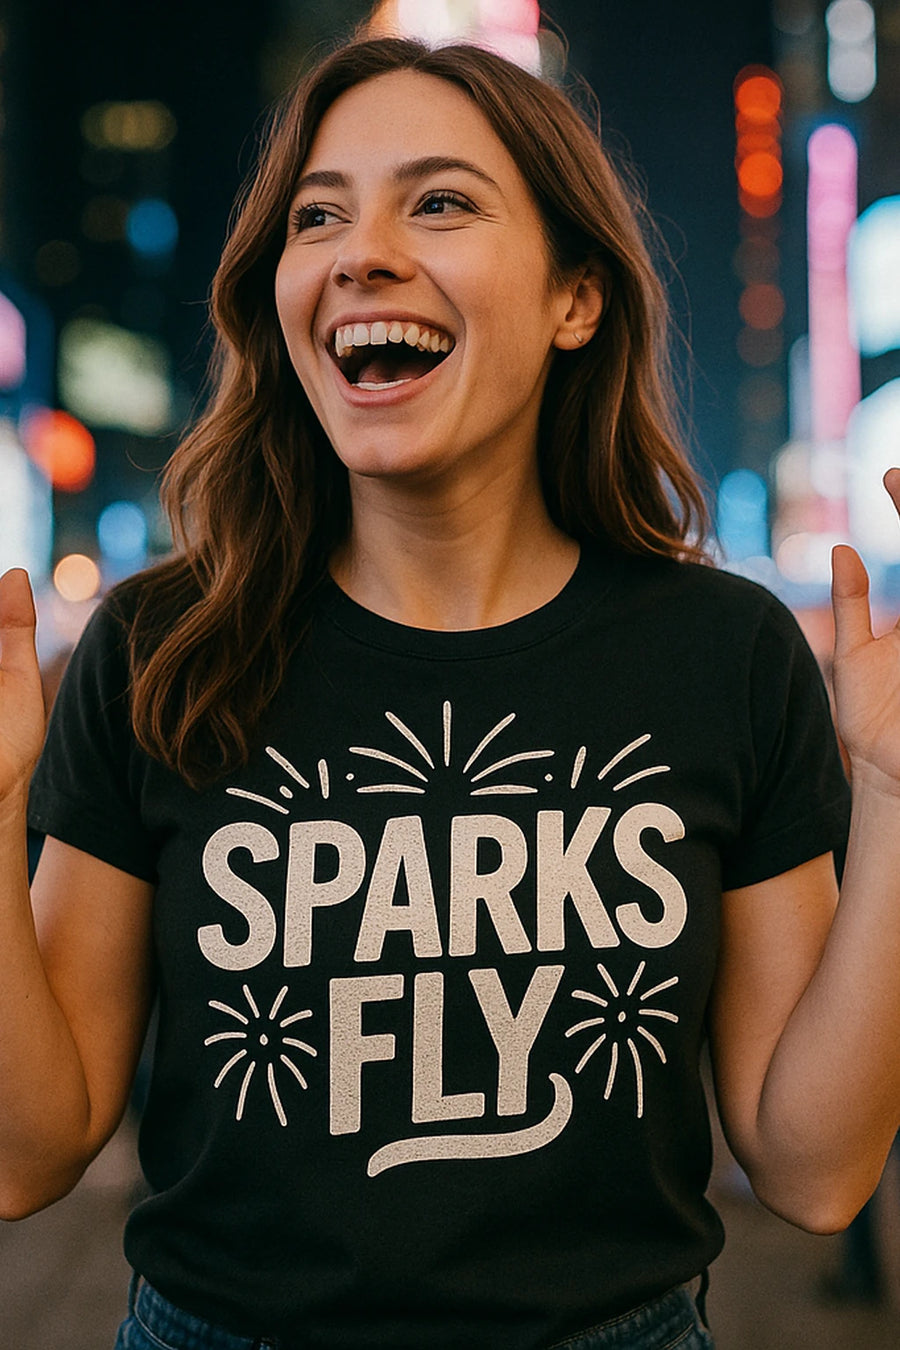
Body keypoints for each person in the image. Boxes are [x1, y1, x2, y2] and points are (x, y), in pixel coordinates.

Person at [1, 30, 899, 1350]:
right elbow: (28, 1152)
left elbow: (816, 1171)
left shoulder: (727, 650)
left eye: (439, 200)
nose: (361, 250)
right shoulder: (162, 646)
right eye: (319, 215)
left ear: (574, 298)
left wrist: (890, 792)